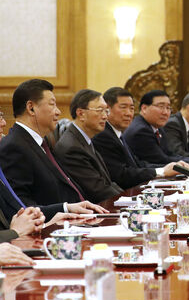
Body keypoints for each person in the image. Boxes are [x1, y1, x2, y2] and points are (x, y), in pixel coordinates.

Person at [0, 80, 109, 213]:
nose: (58, 111)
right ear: (31, 108)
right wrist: (65, 209)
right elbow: (22, 207)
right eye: (52, 104)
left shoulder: (42, 142)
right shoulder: (13, 147)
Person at [93, 87, 182, 190]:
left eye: (131, 108)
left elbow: (138, 164)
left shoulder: (117, 132)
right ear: (107, 109)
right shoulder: (103, 135)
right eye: (123, 107)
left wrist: (165, 168)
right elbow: (121, 175)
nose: (128, 113)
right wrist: (161, 172)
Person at [54, 89, 124, 202]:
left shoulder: (84, 139)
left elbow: (107, 183)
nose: (105, 116)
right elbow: (98, 190)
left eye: (106, 111)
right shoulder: (72, 147)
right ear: (81, 114)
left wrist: (130, 198)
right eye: (100, 110)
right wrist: (129, 201)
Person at [123, 90, 189, 166]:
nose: (165, 112)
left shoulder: (158, 128)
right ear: (144, 108)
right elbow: (161, 160)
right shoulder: (141, 130)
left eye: (168, 108)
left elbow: (169, 154)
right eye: (161, 106)